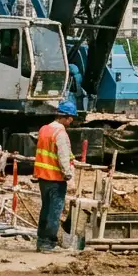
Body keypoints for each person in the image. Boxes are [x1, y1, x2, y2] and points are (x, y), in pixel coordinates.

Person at [32, 100, 79, 252]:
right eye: (71, 118)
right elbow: (63, 156)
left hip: (43, 178)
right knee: (54, 211)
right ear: (67, 117)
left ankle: (41, 241)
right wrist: (68, 175)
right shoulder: (60, 133)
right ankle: (48, 243)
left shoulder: (44, 129)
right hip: (56, 178)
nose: (72, 121)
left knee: (45, 209)